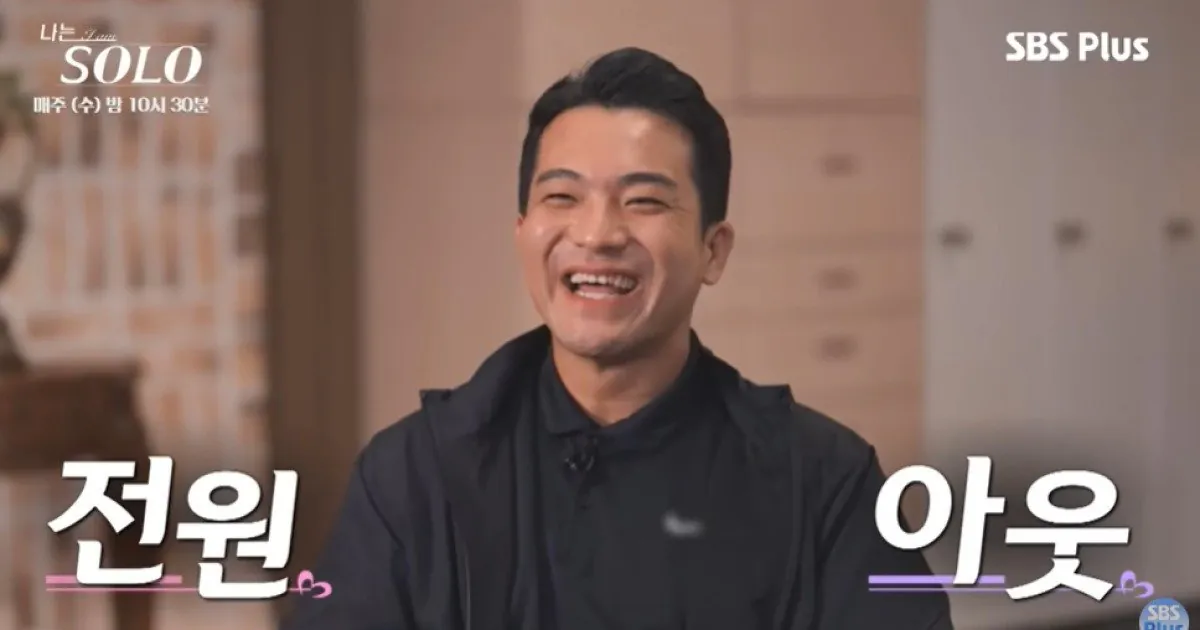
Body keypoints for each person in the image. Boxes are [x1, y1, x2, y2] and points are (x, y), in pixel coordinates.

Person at [281, 47, 952, 630]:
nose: (597, 234)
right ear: (523, 234)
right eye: (562, 197)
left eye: (644, 201)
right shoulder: (412, 474)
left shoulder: (826, 483)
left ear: (713, 249)